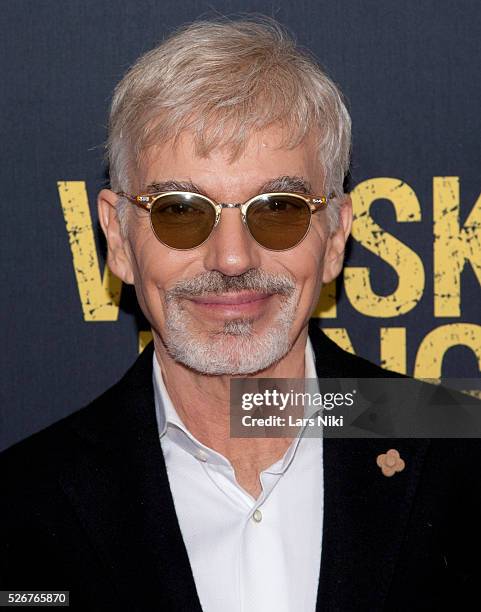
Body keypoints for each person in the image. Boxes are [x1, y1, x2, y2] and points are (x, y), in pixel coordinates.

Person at [1, 17, 480, 612]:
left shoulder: (460, 456)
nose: (232, 258)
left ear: (334, 235)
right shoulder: (21, 507)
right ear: (118, 237)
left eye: (278, 208)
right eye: (181, 210)